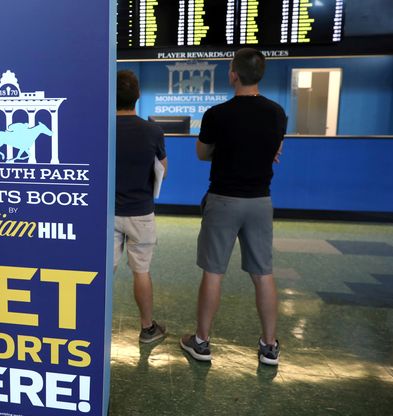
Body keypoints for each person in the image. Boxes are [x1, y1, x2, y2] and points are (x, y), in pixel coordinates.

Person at [180, 48, 287, 366]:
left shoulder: (218, 114)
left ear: (233, 74)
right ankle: (269, 346)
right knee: (263, 273)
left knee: (213, 272)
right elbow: (275, 150)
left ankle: (201, 343)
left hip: (224, 201)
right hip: (260, 201)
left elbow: (202, 153)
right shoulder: (277, 113)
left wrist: (225, 150)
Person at [115, 70, 169, 344]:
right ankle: (148, 328)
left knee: (100, 272)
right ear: (137, 96)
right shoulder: (153, 130)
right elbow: (162, 170)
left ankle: (89, 324)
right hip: (141, 213)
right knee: (141, 271)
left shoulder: (101, 129)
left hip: (107, 214)